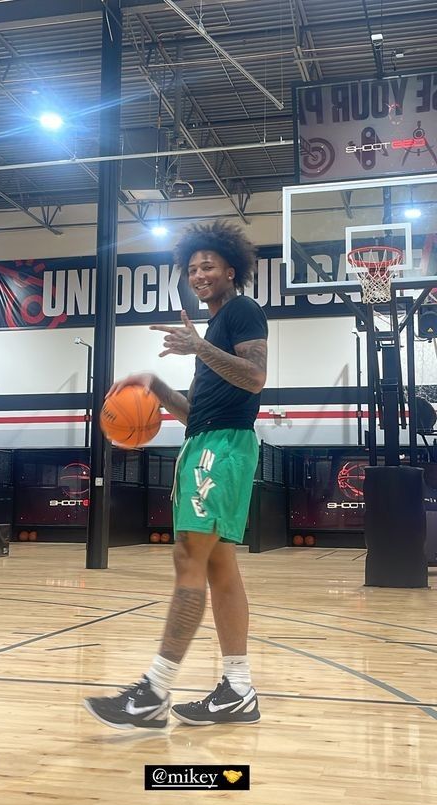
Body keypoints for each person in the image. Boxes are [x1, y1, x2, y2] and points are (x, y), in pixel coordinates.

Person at [83, 220, 268, 729]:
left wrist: (199, 348)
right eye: (192, 268)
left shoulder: (241, 311)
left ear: (231, 269)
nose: (199, 273)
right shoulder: (213, 329)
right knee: (219, 568)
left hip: (222, 451)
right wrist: (156, 385)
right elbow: (197, 413)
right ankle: (237, 689)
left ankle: (153, 692)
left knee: (190, 556)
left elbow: (255, 378)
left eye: (208, 264)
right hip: (208, 442)